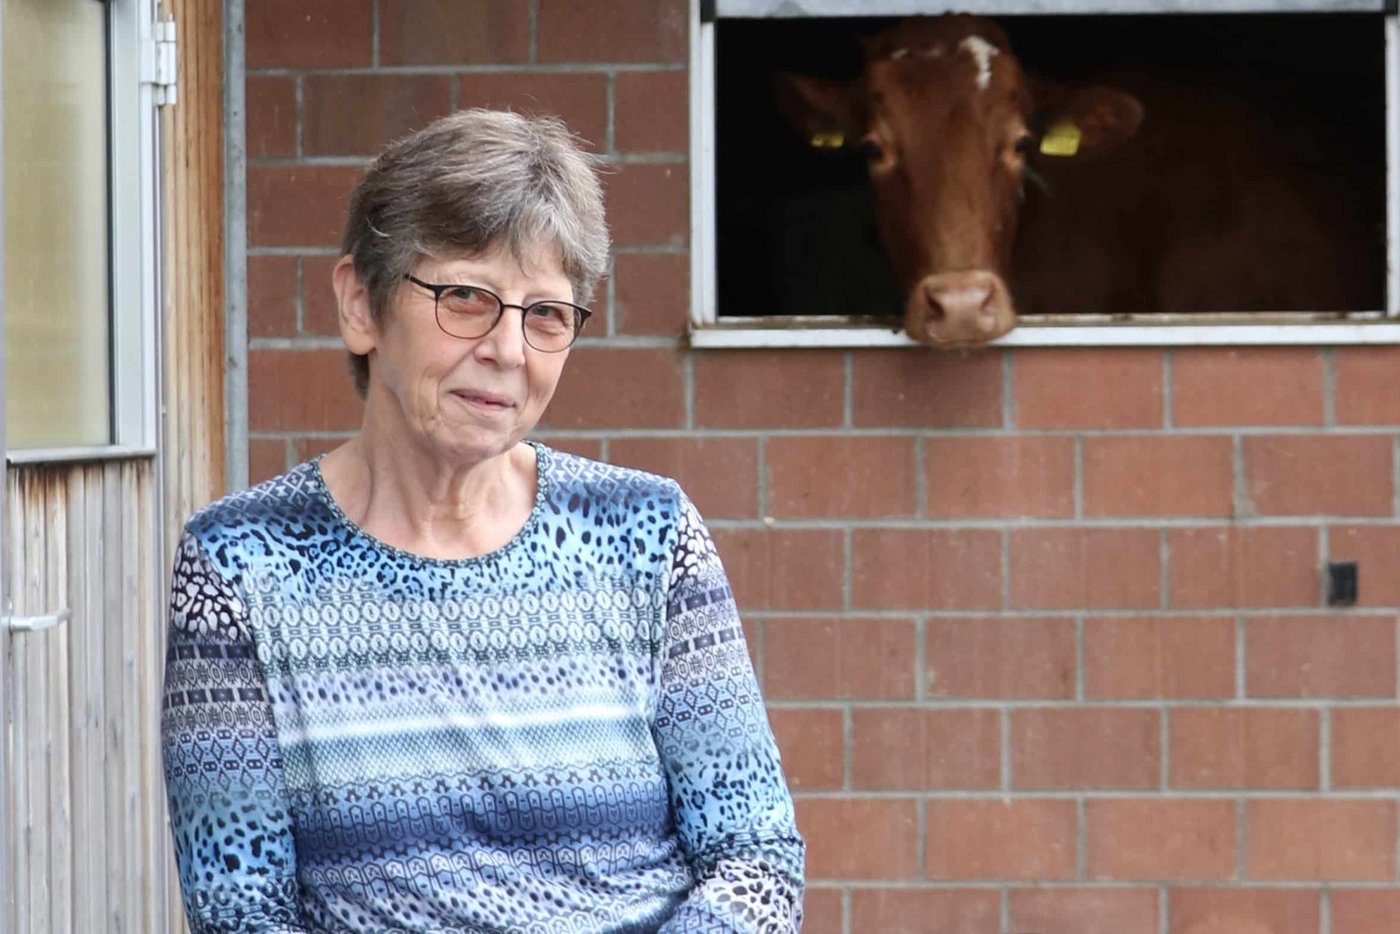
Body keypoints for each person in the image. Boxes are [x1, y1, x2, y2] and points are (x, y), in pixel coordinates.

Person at [161, 109, 804, 933]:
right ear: (361, 304)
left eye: (546, 314)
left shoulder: (647, 535)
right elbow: (241, 910)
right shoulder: (238, 564)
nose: (509, 349)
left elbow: (756, 859)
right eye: (466, 297)